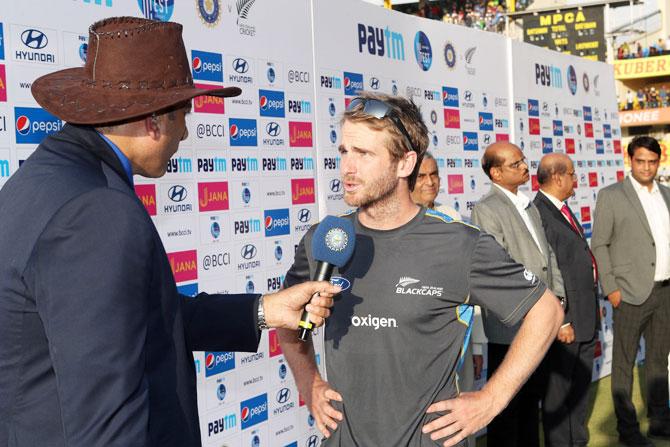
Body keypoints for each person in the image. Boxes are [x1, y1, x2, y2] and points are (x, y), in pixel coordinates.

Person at [0, 17, 339, 447]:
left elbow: (131, 318)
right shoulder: (95, 210)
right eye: (183, 115)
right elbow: (106, 420)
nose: (185, 131)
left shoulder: (47, 178)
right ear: (154, 121)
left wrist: (264, 310)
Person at [277, 92, 564, 447]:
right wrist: (309, 383)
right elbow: (286, 317)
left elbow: (546, 311)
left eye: (364, 154)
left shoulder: (459, 244)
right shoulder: (325, 239)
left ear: (405, 163)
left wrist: (491, 400)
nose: (347, 167)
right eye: (344, 151)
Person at [471, 141, 565, 447]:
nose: (526, 167)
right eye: (516, 164)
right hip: (510, 325)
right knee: (506, 411)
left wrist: (558, 298)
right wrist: (535, 302)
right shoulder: (487, 210)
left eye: (524, 161)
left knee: (530, 405)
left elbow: (547, 256)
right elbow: (497, 266)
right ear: (496, 173)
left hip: (539, 319)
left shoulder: (528, 204)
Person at [592, 136, 670, 447]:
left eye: (652, 162)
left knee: (658, 360)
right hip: (629, 293)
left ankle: (660, 421)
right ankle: (628, 430)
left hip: (665, 290)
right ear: (630, 160)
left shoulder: (666, 194)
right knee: (623, 364)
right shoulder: (612, 196)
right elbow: (600, 243)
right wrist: (611, 288)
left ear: (658, 162)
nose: (646, 167)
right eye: (640, 161)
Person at [410, 152, 488, 447]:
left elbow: (471, 292)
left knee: (462, 421)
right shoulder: (394, 229)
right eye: (422, 176)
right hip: (420, 350)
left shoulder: (454, 221)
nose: (430, 182)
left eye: (434, 174)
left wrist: (477, 344)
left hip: (460, 343)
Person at [534, 154, 599, 447]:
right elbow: (548, 271)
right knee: (559, 393)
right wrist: (563, 319)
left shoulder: (561, 209)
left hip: (584, 315)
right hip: (565, 322)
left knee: (579, 389)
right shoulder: (539, 213)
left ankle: (577, 441)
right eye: (573, 174)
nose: (577, 180)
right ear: (558, 177)